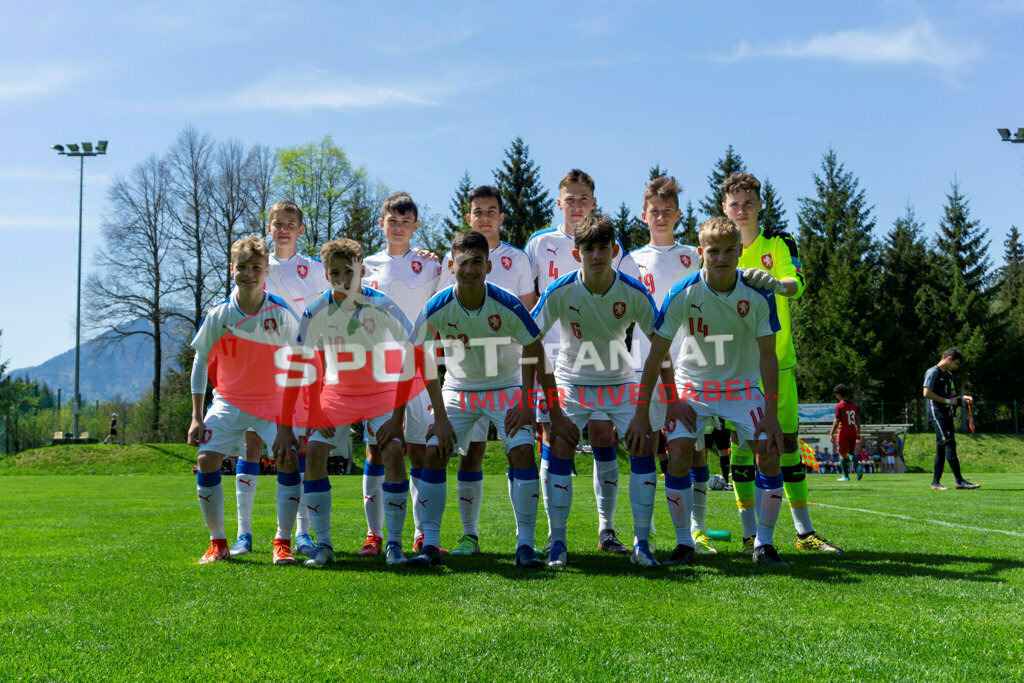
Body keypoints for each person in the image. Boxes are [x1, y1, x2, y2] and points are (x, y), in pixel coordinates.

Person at [405, 230, 578, 568]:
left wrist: (532, 404)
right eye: (463, 263)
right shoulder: (437, 306)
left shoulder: (507, 302)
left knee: (523, 453)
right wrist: (439, 417)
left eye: (477, 263)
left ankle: (525, 545)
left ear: (488, 265)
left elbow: (536, 353)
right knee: (433, 453)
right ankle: (430, 544)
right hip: (459, 388)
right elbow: (420, 356)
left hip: (506, 388)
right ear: (452, 265)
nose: (470, 270)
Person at [626, 216, 787, 567]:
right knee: (680, 453)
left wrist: (772, 413)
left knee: (769, 452)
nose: (721, 258)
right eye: (713, 251)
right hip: (693, 387)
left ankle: (765, 543)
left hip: (743, 389)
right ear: (701, 253)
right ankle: (684, 543)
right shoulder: (683, 292)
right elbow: (656, 355)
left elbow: (767, 357)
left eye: (729, 251)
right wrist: (657, 405)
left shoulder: (758, 296)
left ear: (740, 251)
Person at [721, 172, 843, 554]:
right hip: (736, 365)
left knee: (787, 442)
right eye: (734, 204)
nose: (741, 210)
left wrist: (776, 283)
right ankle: (747, 534)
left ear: (761, 205)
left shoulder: (780, 241)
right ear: (724, 208)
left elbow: (798, 283)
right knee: (742, 447)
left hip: (778, 360)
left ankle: (804, 533)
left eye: (748, 203)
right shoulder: (715, 244)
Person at [532, 214, 661, 567]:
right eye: (589, 248)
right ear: (577, 254)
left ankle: (639, 542)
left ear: (615, 250)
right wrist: (550, 406)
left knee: (642, 441)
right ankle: (556, 539)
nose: (597, 255)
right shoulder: (559, 291)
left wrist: (647, 409)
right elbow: (530, 341)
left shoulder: (634, 292)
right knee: (558, 443)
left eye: (604, 248)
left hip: (620, 381)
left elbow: (660, 344)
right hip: (571, 381)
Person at [524, 169, 640, 552]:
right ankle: (555, 536)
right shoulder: (538, 244)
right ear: (560, 202)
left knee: (605, 436)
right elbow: (529, 315)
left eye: (583, 199)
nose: (576, 205)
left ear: (593, 202)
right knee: (555, 439)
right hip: (561, 365)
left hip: (610, 364)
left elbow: (638, 319)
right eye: (569, 199)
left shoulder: (616, 250)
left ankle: (609, 531)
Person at [286, 238, 415, 566]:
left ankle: (395, 546)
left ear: (363, 270)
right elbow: (302, 365)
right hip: (337, 394)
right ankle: (324, 545)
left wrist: (398, 415)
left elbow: (412, 353)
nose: (344, 279)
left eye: (350, 271)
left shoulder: (382, 305)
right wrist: (314, 409)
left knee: (395, 451)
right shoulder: (314, 311)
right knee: (314, 452)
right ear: (327, 275)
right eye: (335, 273)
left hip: (381, 393)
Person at [187, 234, 301, 564]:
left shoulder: (280, 313)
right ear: (231, 269)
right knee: (207, 460)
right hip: (229, 400)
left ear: (266, 270)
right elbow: (200, 360)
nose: (249, 273)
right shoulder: (219, 314)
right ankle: (218, 542)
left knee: (287, 459)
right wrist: (196, 415)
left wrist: (286, 422)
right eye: (242, 267)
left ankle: (282, 542)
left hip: (272, 402)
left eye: (256, 267)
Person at [437, 185, 536, 555]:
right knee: (470, 452)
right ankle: (466, 535)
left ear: (501, 216)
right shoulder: (450, 263)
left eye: (491, 211)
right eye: (478, 211)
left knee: (520, 450)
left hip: (506, 376)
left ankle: (525, 541)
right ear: (469, 217)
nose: (484, 217)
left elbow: (531, 323)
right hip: (463, 378)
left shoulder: (518, 260)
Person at [629, 176, 721, 553]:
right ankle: (644, 533)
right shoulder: (630, 260)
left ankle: (696, 532)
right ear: (644, 215)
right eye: (655, 212)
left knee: (694, 449)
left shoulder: (693, 255)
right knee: (646, 444)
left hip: (690, 365)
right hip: (644, 364)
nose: (661, 217)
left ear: (679, 215)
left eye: (668, 211)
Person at [231, 200, 326, 559]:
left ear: (300, 230)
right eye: (277, 223)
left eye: (290, 224)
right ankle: (244, 533)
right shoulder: (257, 266)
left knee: (296, 448)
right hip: (259, 371)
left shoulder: (316, 270)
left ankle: (299, 534)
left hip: (302, 369)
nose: (283, 229)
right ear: (268, 228)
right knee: (251, 445)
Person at [361, 191, 442, 554]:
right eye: (392, 221)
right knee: (377, 451)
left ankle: (422, 532)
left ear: (415, 227)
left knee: (420, 452)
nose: (398, 227)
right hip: (377, 371)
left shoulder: (428, 265)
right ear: (382, 224)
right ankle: (374, 535)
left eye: (405, 222)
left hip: (420, 368)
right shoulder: (365, 266)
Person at [923, 348, 979, 490]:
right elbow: (926, 393)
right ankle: (959, 481)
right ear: (949, 359)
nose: (956, 367)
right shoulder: (932, 372)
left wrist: (962, 398)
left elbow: (952, 398)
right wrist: (948, 402)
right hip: (936, 415)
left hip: (946, 415)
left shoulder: (949, 375)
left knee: (941, 448)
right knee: (949, 444)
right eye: (955, 363)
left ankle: (935, 483)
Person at [829, 383, 861, 482]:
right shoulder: (854, 406)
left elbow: (837, 421)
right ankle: (858, 467)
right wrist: (858, 433)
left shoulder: (839, 406)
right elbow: (858, 420)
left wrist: (831, 434)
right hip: (853, 431)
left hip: (843, 432)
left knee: (842, 454)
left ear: (838, 394)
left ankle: (846, 477)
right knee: (851, 453)